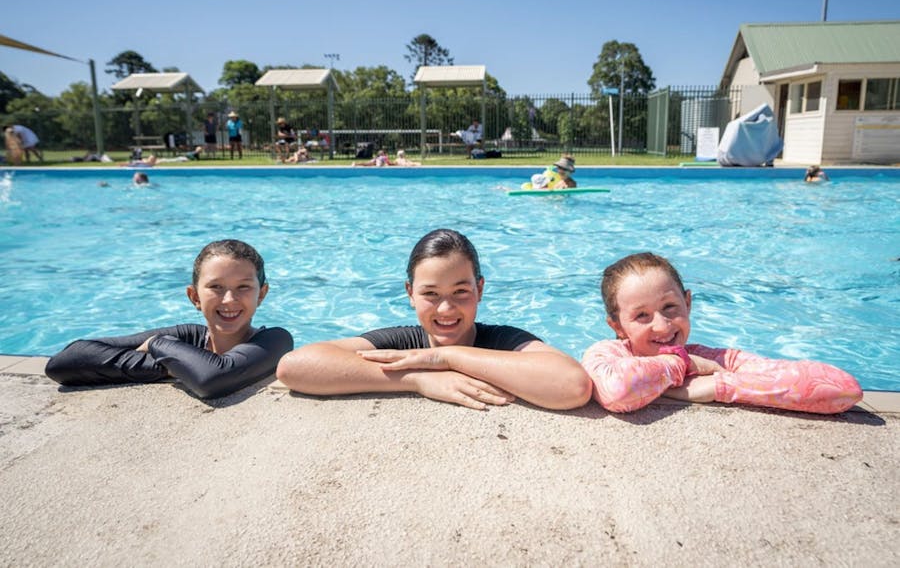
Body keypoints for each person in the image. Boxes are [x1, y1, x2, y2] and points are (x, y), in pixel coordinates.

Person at [276, 228, 592, 410]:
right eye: (430, 294)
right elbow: (295, 366)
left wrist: (444, 357)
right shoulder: (402, 343)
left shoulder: (503, 340)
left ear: (479, 289)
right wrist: (420, 379)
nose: (445, 309)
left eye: (460, 292)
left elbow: (573, 385)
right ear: (410, 293)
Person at [581, 252, 862, 414]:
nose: (663, 326)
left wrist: (719, 386)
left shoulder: (715, 360)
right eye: (642, 315)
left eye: (670, 307)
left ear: (688, 304)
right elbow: (618, 391)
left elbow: (843, 389)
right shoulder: (608, 354)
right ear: (617, 327)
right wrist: (681, 364)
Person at [45, 239, 293, 400]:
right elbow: (64, 362)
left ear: (261, 294)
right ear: (194, 296)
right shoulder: (189, 337)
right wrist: (177, 365)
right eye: (216, 287)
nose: (229, 299)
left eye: (243, 287)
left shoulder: (275, 340)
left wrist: (157, 345)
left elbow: (212, 380)